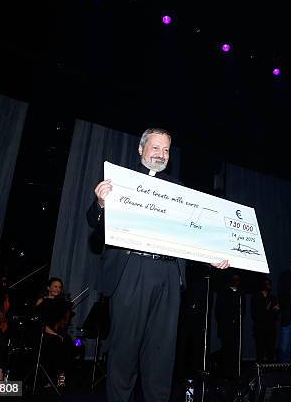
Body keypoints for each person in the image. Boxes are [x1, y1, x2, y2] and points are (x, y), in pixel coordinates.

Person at [86, 127, 228, 402]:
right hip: (131, 273)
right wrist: (101, 203)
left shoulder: (178, 189)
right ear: (141, 149)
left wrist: (210, 256)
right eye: (155, 148)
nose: (161, 155)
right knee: (124, 352)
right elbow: (93, 221)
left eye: (165, 150)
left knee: (162, 355)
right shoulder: (119, 181)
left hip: (168, 274)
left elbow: (190, 232)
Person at [34, 277, 73, 388]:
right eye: (55, 286)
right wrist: (54, 333)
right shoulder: (42, 301)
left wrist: (67, 313)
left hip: (55, 331)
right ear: (48, 287)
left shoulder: (61, 303)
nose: (57, 289)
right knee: (56, 340)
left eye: (60, 287)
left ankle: (61, 373)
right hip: (43, 332)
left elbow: (63, 323)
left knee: (67, 340)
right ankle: (51, 376)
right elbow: (39, 321)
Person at [251, 277, 279, 362]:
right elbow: (255, 315)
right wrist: (268, 310)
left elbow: (276, 315)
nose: (268, 286)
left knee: (271, 351)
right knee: (260, 352)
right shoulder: (256, 297)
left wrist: (269, 311)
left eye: (269, 284)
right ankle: (259, 372)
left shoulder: (273, 298)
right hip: (260, 329)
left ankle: (271, 372)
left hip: (271, 329)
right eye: (266, 284)